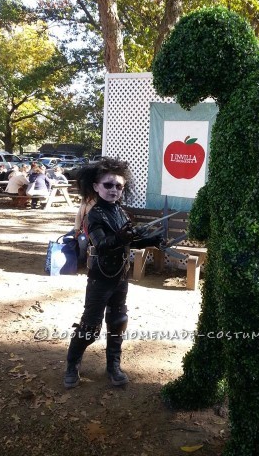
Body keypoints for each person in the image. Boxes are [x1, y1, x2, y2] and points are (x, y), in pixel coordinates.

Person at [63, 157, 164, 389]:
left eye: (119, 186)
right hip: (100, 278)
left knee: (118, 322)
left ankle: (113, 366)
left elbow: (128, 243)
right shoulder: (94, 215)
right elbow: (101, 244)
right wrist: (121, 238)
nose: (114, 190)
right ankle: (71, 365)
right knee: (90, 328)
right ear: (96, 186)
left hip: (121, 276)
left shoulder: (120, 212)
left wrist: (150, 240)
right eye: (108, 185)